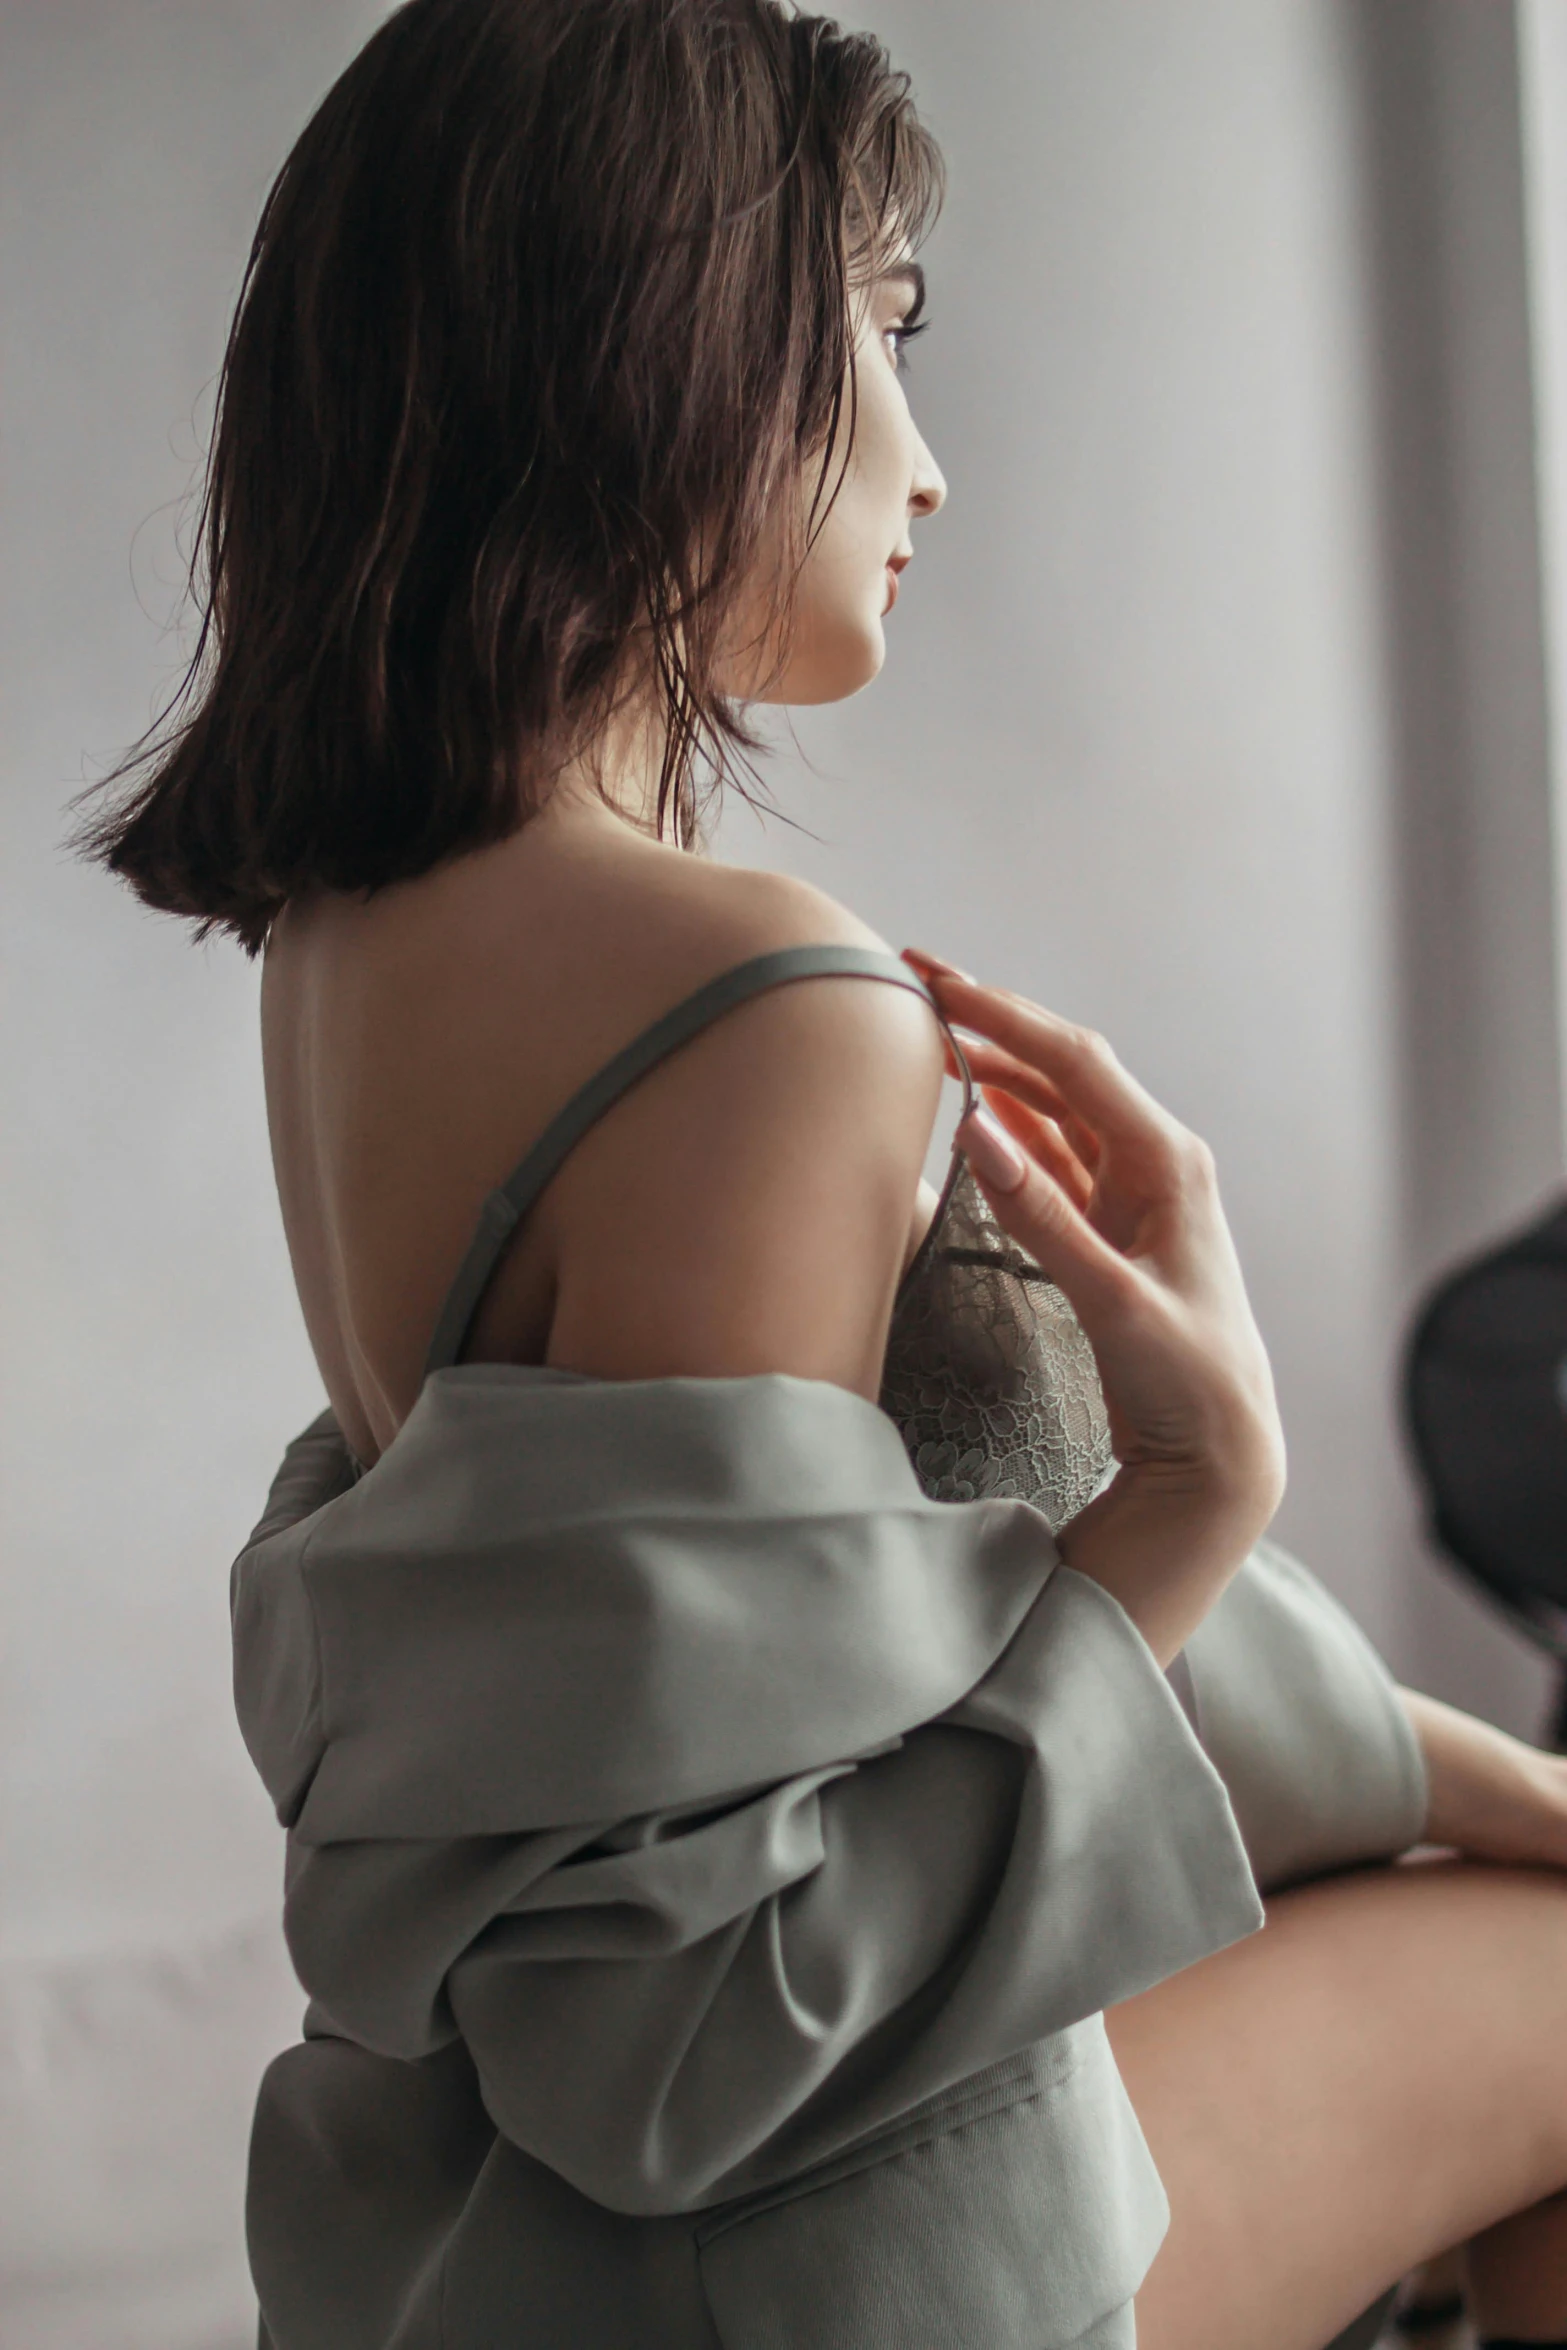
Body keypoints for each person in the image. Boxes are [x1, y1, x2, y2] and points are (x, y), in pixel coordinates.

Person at [77, 3, 1567, 2345]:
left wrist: (1486, 1778)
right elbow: (693, 2025)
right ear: (667, 342)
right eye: (882, 328)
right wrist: (1196, 1489)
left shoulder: (353, 944)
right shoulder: (756, 1006)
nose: (932, 460)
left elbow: (790, 1684)